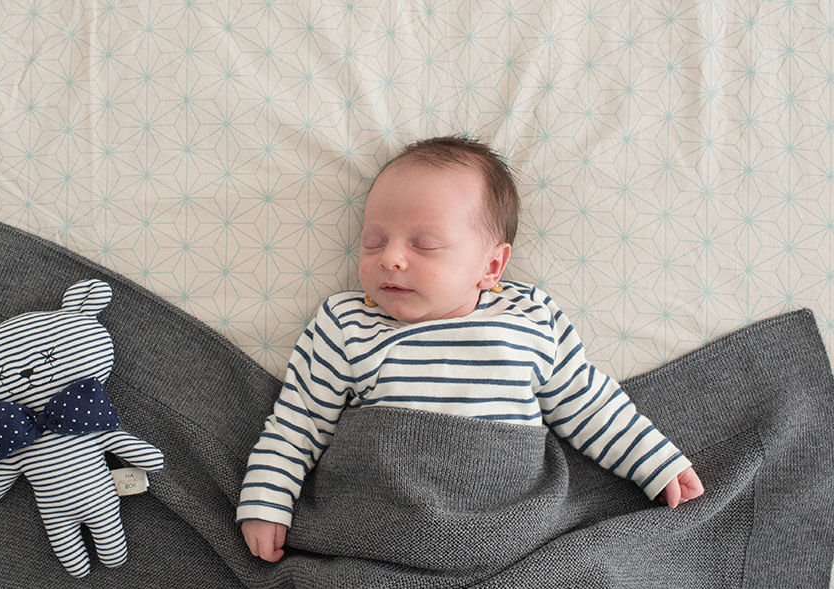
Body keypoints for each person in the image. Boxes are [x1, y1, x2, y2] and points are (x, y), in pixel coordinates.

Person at [237, 136, 705, 562]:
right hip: (385, 531)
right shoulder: (347, 323)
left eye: (425, 245)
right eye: (374, 241)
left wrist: (655, 461)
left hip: (509, 535)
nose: (390, 258)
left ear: (491, 265)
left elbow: (586, 401)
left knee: (586, 585)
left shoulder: (527, 318)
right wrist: (267, 500)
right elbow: (298, 422)